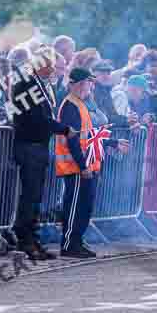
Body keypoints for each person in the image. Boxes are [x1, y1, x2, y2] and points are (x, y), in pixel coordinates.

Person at [56, 67, 129, 258]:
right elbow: (72, 140)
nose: (85, 86)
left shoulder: (81, 103)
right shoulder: (71, 105)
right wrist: (83, 166)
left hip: (86, 164)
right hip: (76, 165)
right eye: (80, 83)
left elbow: (89, 137)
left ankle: (77, 241)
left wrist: (112, 142)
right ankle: (69, 243)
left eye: (87, 83)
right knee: (75, 206)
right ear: (71, 85)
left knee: (85, 206)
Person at [11, 47, 75, 260]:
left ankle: (31, 237)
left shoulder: (41, 85)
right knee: (31, 195)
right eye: (51, 65)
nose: (54, 70)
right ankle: (26, 239)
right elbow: (37, 118)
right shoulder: (26, 85)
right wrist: (64, 129)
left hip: (38, 146)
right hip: (29, 145)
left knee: (35, 195)